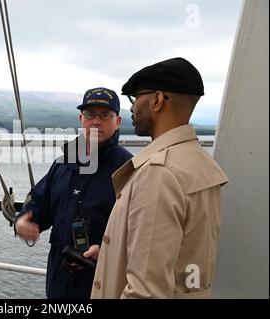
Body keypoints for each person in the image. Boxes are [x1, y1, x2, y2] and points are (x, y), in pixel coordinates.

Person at [91, 58, 229, 299]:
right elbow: (184, 256)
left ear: (157, 100)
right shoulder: (200, 162)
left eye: (135, 99)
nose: (132, 108)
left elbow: (146, 292)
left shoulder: (159, 172)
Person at [15, 87, 133, 299]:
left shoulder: (128, 169)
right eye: (90, 115)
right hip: (58, 283)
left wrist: (106, 251)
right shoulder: (63, 164)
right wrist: (24, 219)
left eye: (105, 115)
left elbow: (138, 230)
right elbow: (40, 202)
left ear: (118, 122)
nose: (96, 122)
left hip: (103, 286)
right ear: (81, 119)